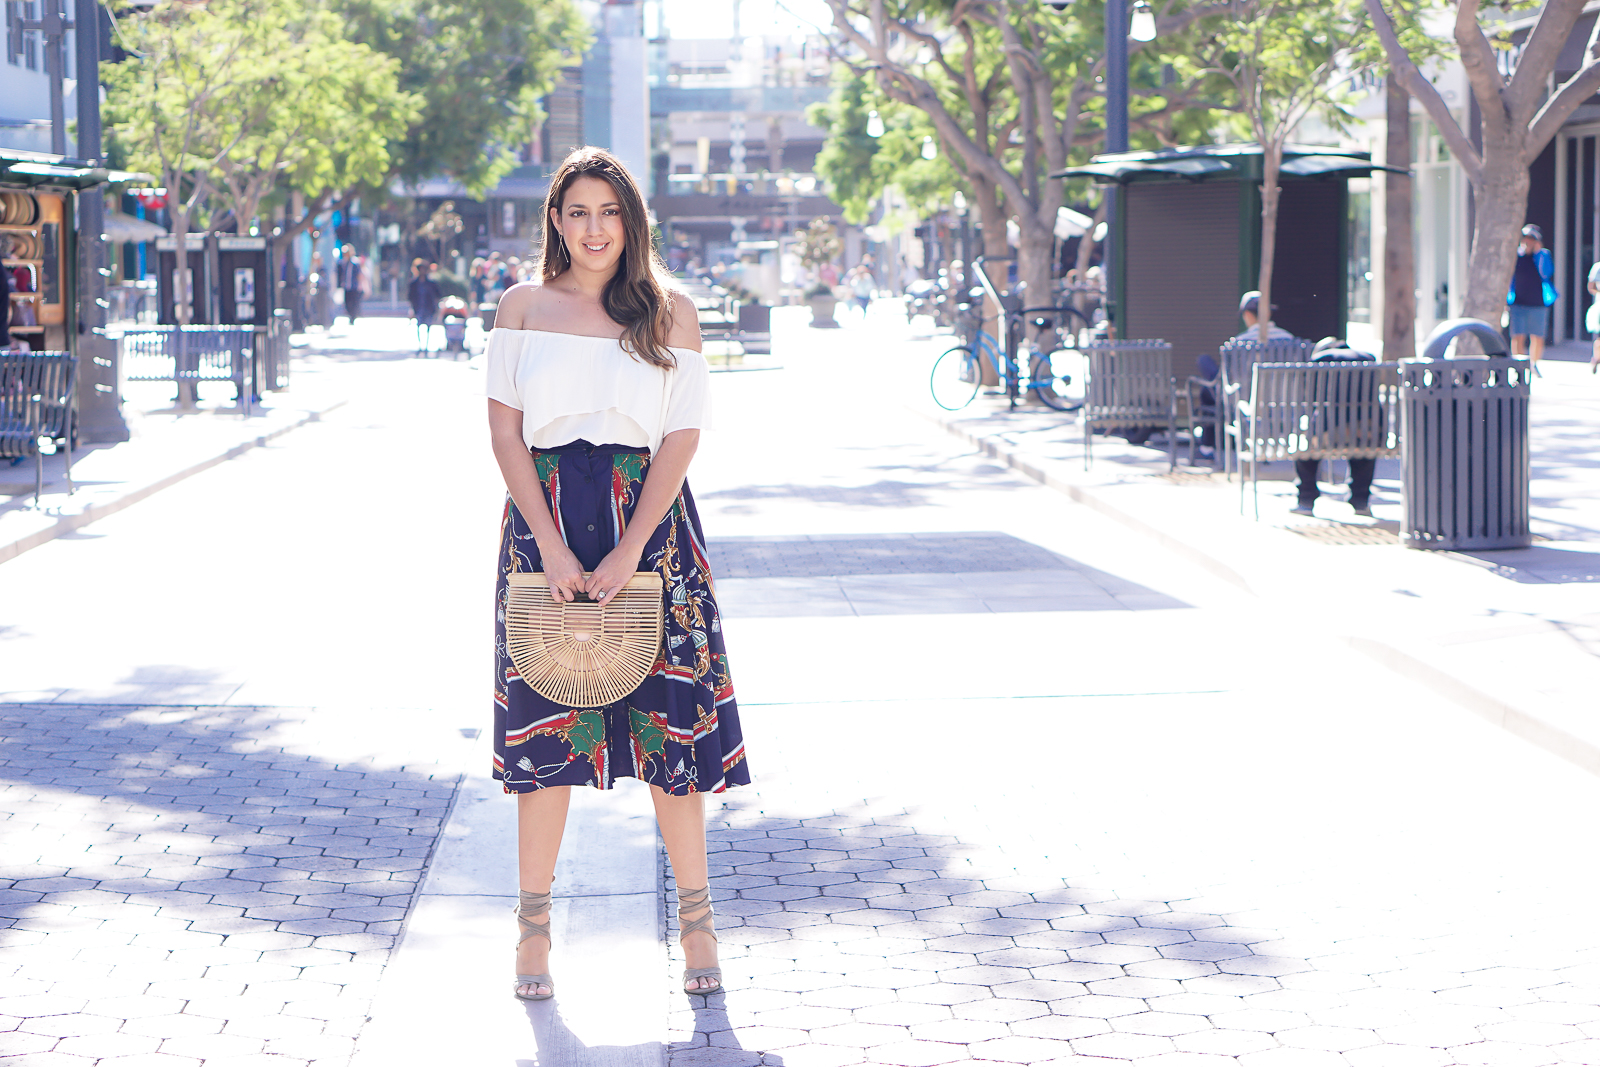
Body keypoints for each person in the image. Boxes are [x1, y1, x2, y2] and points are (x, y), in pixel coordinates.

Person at [484, 146, 749, 1003]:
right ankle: (533, 934)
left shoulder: (669, 310)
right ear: (555, 221)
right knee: (546, 735)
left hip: (653, 525)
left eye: (610, 212)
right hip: (545, 523)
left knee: (672, 736)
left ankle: (699, 927)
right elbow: (506, 437)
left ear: (632, 220)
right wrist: (552, 548)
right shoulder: (522, 307)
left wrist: (634, 543)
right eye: (577, 212)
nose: (594, 229)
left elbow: (681, 436)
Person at [1290, 338, 1381, 518]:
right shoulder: (1367, 358)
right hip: (1365, 434)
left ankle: (1306, 499)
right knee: (1362, 439)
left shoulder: (1319, 360)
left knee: (1305, 442)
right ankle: (1360, 500)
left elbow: (1309, 399)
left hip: (1327, 433)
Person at [1508, 224, 1556, 367]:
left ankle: (1533, 364)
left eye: (1531, 239)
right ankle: (1518, 365)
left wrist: (1537, 254)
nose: (1527, 241)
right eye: (1525, 238)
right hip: (1517, 302)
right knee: (1518, 335)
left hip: (1538, 303)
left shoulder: (1543, 255)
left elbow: (1547, 273)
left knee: (1537, 336)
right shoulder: (1516, 255)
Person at [406, 259, 440, 353]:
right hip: (418, 308)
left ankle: (426, 346)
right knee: (419, 327)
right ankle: (420, 346)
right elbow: (410, 297)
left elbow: (437, 295)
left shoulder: (431, 283)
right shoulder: (414, 283)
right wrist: (412, 309)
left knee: (428, 327)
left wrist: (436, 308)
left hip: (428, 308)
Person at [337, 246, 368, 324]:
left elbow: (359, 274)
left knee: (354, 303)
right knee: (347, 303)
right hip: (346, 286)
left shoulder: (355, 263)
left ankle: (353, 317)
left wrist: (361, 285)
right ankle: (350, 315)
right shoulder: (343, 263)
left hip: (354, 286)